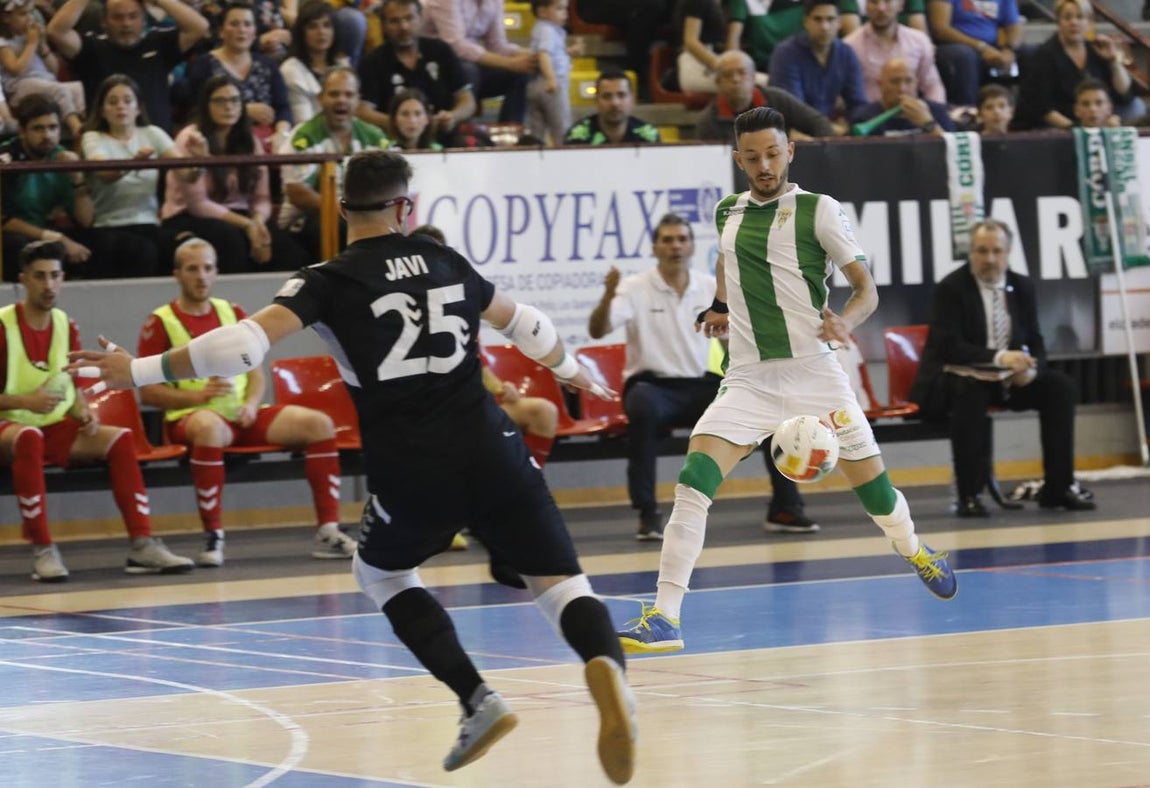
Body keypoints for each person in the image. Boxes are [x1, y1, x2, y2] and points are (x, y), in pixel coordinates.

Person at [71, 148, 638, 784]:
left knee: (382, 573)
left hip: (412, 464)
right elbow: (525, 324)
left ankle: (477, 699)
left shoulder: (328, 279)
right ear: (405, 207)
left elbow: (241, 348)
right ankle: (609, 670)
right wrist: (571, 370)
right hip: (493, 445)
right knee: (559, 582)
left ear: (342, 209)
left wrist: (137, 370)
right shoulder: (446, 260)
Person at [615, 106, 956, 654]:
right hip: (749, 377)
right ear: (739, 160)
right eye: (753, 157)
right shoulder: (728, 211)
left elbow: (866, 288)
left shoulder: (819, 211)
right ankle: (665, 617)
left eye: (773, 154)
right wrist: (720, 306)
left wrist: (847, 321)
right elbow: (728, 262)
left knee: (875, 492)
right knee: (693, 482)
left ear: (790, 151)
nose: (765, 166)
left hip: (815, 373)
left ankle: (915, 549)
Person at [587, 213, 817, 541]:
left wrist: (752, 381)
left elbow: (732, 343)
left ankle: (785, 507)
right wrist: (608, 296)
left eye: (682, 239)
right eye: (667, 240)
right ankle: (648, 513)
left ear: (692, 246)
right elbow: (597, 330)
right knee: (642, 409)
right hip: (652, 387)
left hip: (700, 386)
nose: (675, 246)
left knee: (765, 405)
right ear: (654, 248)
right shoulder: (633, 288)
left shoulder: (710, 287)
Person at [135, 237, 357, 566]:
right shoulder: (160, 321)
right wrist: (197, 397)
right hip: (192, 419)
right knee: (209, 428)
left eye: (208, 268)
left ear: (216, 272)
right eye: (193, 269)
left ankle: (328, 531)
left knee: (318, 424)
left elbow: (256, 375)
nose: (201, 276)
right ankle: (213, 536)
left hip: (241, 415)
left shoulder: (233, 312)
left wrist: (252, 404)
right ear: (177, 274)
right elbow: (148, 392)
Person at [1, 241, 195, 581]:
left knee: (119, 439)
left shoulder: (66, 324)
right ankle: (43, 550)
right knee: (29, 436)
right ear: (24, 280)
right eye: (40, 276)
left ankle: (142, 545)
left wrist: (83, 410)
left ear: (63, 278)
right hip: (9, 428)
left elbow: (71, 384)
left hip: (51, 426)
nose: (49, 285)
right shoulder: (3, 326)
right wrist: (24, 402)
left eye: (55, 276)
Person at [908, 219, 1095, 517]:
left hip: (1006, 381)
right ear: (971, 252)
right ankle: (970, 495)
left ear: (1008, 252)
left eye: (997, 251)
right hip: (957, 379)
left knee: (1060, 388)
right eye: (982, 251)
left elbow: (1035, 340)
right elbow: (948, 346)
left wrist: (1031, 370)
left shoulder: (1021, 286)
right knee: (970, 393)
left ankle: (1058, 488)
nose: (990, 259)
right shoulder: (951, 288)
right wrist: (1001, 357)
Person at [162, 74, 309, 272]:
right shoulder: (191, 138)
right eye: (220, 101)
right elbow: (198, 205)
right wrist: (248, 225)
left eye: (234, 100)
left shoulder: (250, 140)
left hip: (242, 215)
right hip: (190, 216)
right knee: (231, 241)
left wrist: (258, 223)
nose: (228, 107)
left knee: (287, 249)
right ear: (206, 105)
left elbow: (262, 198)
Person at [80, 73, 185, 278]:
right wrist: (135, 161)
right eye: (113, 102)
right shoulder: (92, 137)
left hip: (149, 223)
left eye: (128, 101)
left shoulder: (152, 133)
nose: (121, 106)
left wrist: (200, 157)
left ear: (138, 108)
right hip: (108, 225)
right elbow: (105, 173)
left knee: (188, 246)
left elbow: (186, 173)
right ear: (102, 110)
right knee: (142, 250)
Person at [48, 0, 210, 132]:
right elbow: (56, 32)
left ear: (144, 19)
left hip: (158, 145)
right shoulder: (91, 47)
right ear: (104, 22)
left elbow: (200, 27)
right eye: (117, 17)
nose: (126, 23)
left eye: (133, 16)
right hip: (105, 146)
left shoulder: (158, 42)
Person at [279, 66, 390, 258]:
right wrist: (348, 211)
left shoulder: (375, 137)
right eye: (334, 94)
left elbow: (391, 183)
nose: (341, 100)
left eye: (349, 94)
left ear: (358, 100)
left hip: (362, 217)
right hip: (304, 221)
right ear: (320, 98)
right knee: (340, 226)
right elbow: (297, 193)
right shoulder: (302, 136)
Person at [1, 94, 95, 282]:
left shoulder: (63, 157)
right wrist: (56, 238)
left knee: (107, 243)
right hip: (18, 234)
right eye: (38, 128)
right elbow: (4, 220)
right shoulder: (6, 158)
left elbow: (86, 221)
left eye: (53, 128)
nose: (47, 136)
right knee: (16, 245)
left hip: (51, 231)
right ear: (22, 131)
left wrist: (77, 178)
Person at [356, 0, 475, 140]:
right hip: (393, 143)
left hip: (443, 138)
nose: (404, 27)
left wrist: (453, 116)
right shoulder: (372, 62)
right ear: (383, 25)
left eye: (409, 18)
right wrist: (399, 123)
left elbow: (467, 100)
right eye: (394, 21)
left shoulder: (441, 50)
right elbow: (363, 111)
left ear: (420, 19)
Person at [184, 3, 294, 148]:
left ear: (255, 32)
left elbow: (283, 108)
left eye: (247, 24)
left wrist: (281, 133)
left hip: (267, 140)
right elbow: (199, 109)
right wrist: (244, 110)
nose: (242, 30)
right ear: (221, 31)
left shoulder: (268, 64)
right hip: (220, 142)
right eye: (234, 24)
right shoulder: (205, 65)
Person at [1013, 0, 1135, 130]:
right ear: (1058, 22)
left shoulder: (1097, 49)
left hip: (1096, 117)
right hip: (1059, 124)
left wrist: (1113, 60)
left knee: (1136, 107)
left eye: (1080, 17)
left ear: (1089, 23)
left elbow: (1124, 93)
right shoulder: (1043, 55)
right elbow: (1042, 108)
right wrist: (1075, 129)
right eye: (1067, 17)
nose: (1074, 22)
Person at [421, 0, 537, 124]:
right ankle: (460, 129)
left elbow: (497, 45)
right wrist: (511, 63)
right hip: (432, 66)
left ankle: (510, 129)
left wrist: (534, 56)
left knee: (523, 72)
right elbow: (456, 46)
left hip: (468, 62)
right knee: (469, 70)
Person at [767, 0, 867, 133]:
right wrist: (831, 128)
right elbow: (793, 111)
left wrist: (853, 126)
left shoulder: (846, 53)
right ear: (806, 21)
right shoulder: (785, 53)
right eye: (817, 19)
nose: (824, 26)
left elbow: (858, 104)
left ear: (839, 22)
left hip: (829, 131)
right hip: (790, 131)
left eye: (830, 19)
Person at [694, 50, 834, 143]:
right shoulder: (708, 122)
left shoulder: (777, 99)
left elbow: (819, 123)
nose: (736, 79)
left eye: (742, 73)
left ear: (754, 78)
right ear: (718, 82)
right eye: (728, 75)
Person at [0, 0, 86, 140]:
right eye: (23, 14)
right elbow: (15, 70)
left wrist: (42, 46)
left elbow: (54, 70)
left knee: (78, 88)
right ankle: (77, 129)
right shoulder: (4, 42)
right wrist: (31, 44)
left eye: (31, 13)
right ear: (6, 17)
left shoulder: (29, 37)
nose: (29, 18)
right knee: (59, 90)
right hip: (19, 86)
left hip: (45, 81)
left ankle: (87, 125)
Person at [843, 0, 945, 104]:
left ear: (900, 5)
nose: (881, 8)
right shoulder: (850, 46)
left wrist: (935, 109)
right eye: (874, 2)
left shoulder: (919, 41)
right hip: (870, 111)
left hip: (911, 109)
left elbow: (932, 85)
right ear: (866, 7)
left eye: (887, 2)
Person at [927, 0, 1022, 108]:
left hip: (993, 47)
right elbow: (940, 29)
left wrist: (1009, 49)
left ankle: (1024, 113)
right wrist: (981, 47)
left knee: (1029, 53)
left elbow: (1014, 26)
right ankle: (967, 111)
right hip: (954, 45)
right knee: (965, 56)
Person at [280, 0, 349, 125]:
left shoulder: (342, 64)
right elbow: (303, 123)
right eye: (313, 26)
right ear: (302, 33)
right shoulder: (291, 69)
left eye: (327, 25)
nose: (321, 32)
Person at [848, 57, 952, 137]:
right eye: (894, 82)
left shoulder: (936, 112)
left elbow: (953, 149)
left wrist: (928, 124)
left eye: (908, 81)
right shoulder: (864, 117)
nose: (902, 89)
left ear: (916, 83)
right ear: (880, 84)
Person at [525, 0, 577, 145]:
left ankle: (535, 150)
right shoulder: (548, 30)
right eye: (559, 9)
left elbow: (553, 52)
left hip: (535, 83)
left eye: (566, 9)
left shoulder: (542, 28)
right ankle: (562, 153)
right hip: (552, 84)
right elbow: (544, 55)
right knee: (561, 127)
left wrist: (570, 51)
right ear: (543, 12)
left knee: (537, 129)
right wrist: (551, 78)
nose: (565, 13)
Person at [563, 69, 660, 145]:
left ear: (632, 100)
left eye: (621, 95)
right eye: (606, 96)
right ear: (596, 101)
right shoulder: (578, 136)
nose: (614, 103)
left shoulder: (648, 136)